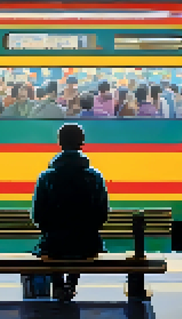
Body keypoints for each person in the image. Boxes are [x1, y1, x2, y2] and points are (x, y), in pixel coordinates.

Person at [31, 123, 110, 302]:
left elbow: (38, 215)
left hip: (53, 243)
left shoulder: (46, 177)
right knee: (80, 246)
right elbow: (102, 214)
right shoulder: (95, 177)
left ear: (59, 143)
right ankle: (71, 283)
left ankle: (58, 285)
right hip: (87, 243)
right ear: (82, 142)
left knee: (52, 247)